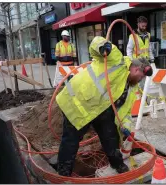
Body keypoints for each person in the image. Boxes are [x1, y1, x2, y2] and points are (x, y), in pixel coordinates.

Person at [56, 36, 153, 176]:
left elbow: (125, 112)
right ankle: (63, 173)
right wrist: (103, 46)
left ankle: (117, 163)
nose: (141, 80)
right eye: (141, 77)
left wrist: (126, 127)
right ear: (137, 70)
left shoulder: (132, 88)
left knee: (110, 137)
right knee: (71, 141)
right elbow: (95, 43)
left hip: (101, 110)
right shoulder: (116, 59)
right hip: (79, 103)